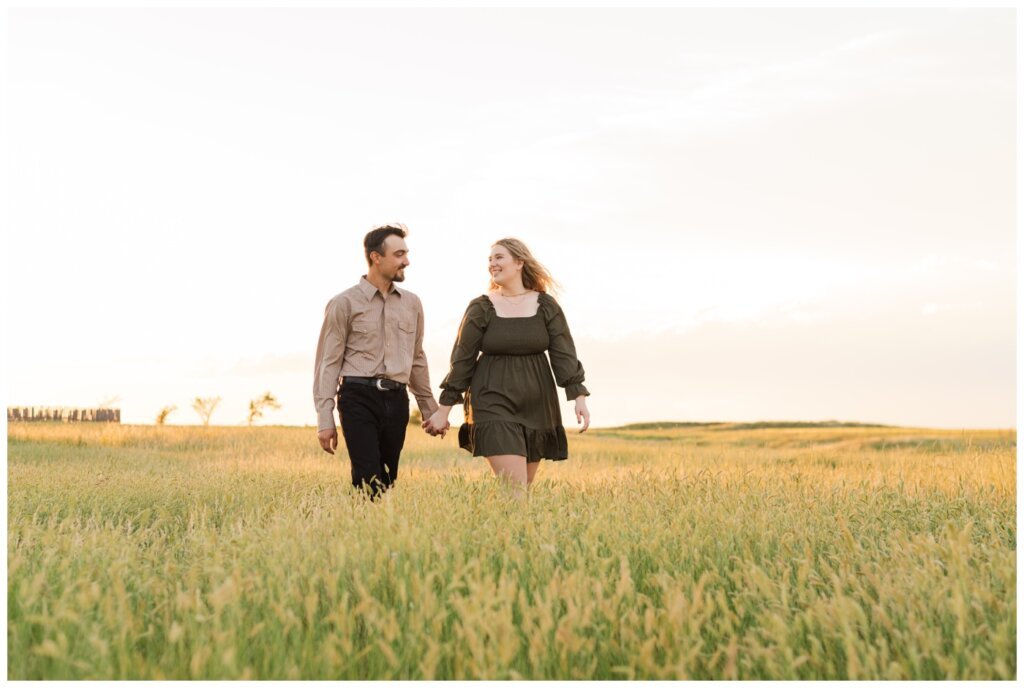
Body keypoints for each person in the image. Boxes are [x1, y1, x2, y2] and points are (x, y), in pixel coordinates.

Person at [423, 238, 590, 496]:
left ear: (519, 263)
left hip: (538, 405)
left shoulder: (546, 306)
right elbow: (462, 359)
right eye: (490, 259)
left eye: (499, 257)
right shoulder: (481, 307)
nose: (492, 264)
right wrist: (443, 410)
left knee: (520, 491)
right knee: (515, 491)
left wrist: (578, 396)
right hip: (493, 400)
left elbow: (563, 352)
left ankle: (511, 535)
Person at [313, 223, 447, 499]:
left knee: (388, 478)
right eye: (399, 254)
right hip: (357, 396)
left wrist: (429, 408)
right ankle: (363, 534)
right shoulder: (344, 303)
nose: (406, 261)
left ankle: (375, 535)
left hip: (397, 401)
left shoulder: (412, 303)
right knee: (367, 478)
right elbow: (328, 362)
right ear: (376, 257)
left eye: (406, 254)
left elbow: (417, 357)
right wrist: (325, 417)